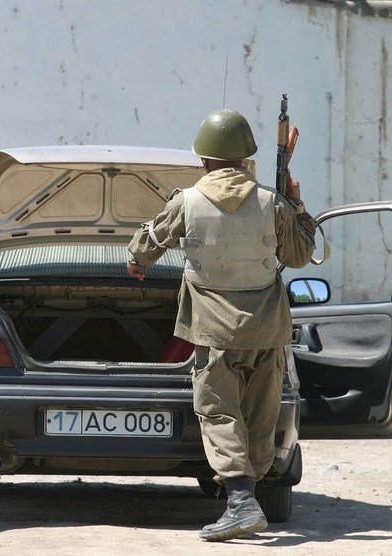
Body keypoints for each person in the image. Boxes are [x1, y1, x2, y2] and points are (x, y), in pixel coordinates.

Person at [126, 109, 316, 541]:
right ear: (246, 158)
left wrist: (137, 263)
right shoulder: (273, 203)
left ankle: (241, 503)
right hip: (266, 332)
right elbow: (302, 253)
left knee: (219, 412)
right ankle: (252, 494)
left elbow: (143, 246)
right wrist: (296, 202)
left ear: (205, 159)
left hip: (214, 332)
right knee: (260, 414)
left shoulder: (186, 202)